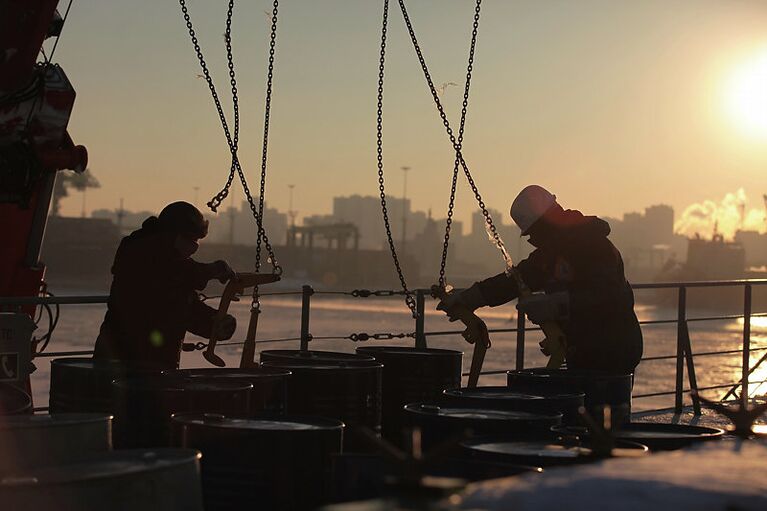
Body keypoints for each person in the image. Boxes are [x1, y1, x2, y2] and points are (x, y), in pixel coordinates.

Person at [438, 185, 643, 374]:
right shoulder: (551, 253)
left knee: (603, 410)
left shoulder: (596, 246)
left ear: (545, 225)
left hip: (615, 348)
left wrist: (557, 305)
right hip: (585, 348)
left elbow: (608, 296)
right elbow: (515, 281)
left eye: (533, 235)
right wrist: (468, 298)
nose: (532, 241)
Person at [94, 201, 237, 370]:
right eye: (191, 240)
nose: (193, 249)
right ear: (172, 235)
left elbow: (182, 306)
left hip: (154, 362)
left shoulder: (171, 264)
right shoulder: (142, 252)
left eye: (197, 242)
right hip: (126, 361)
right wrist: (215, 269)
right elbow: (179, 274)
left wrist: (215, 323)